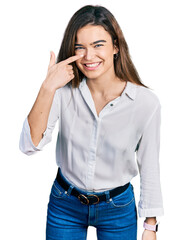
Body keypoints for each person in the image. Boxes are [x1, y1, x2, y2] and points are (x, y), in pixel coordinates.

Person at [19, 5, 164, 240]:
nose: (88, 56)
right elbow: (29, 145)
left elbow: (149, 165)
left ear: (115, 47)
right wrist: (47, 87)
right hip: (65, 204)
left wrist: (150, 226)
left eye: (98, 45)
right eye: (80, 48)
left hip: (117, 208)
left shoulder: (145, 103)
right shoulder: (62, 92)